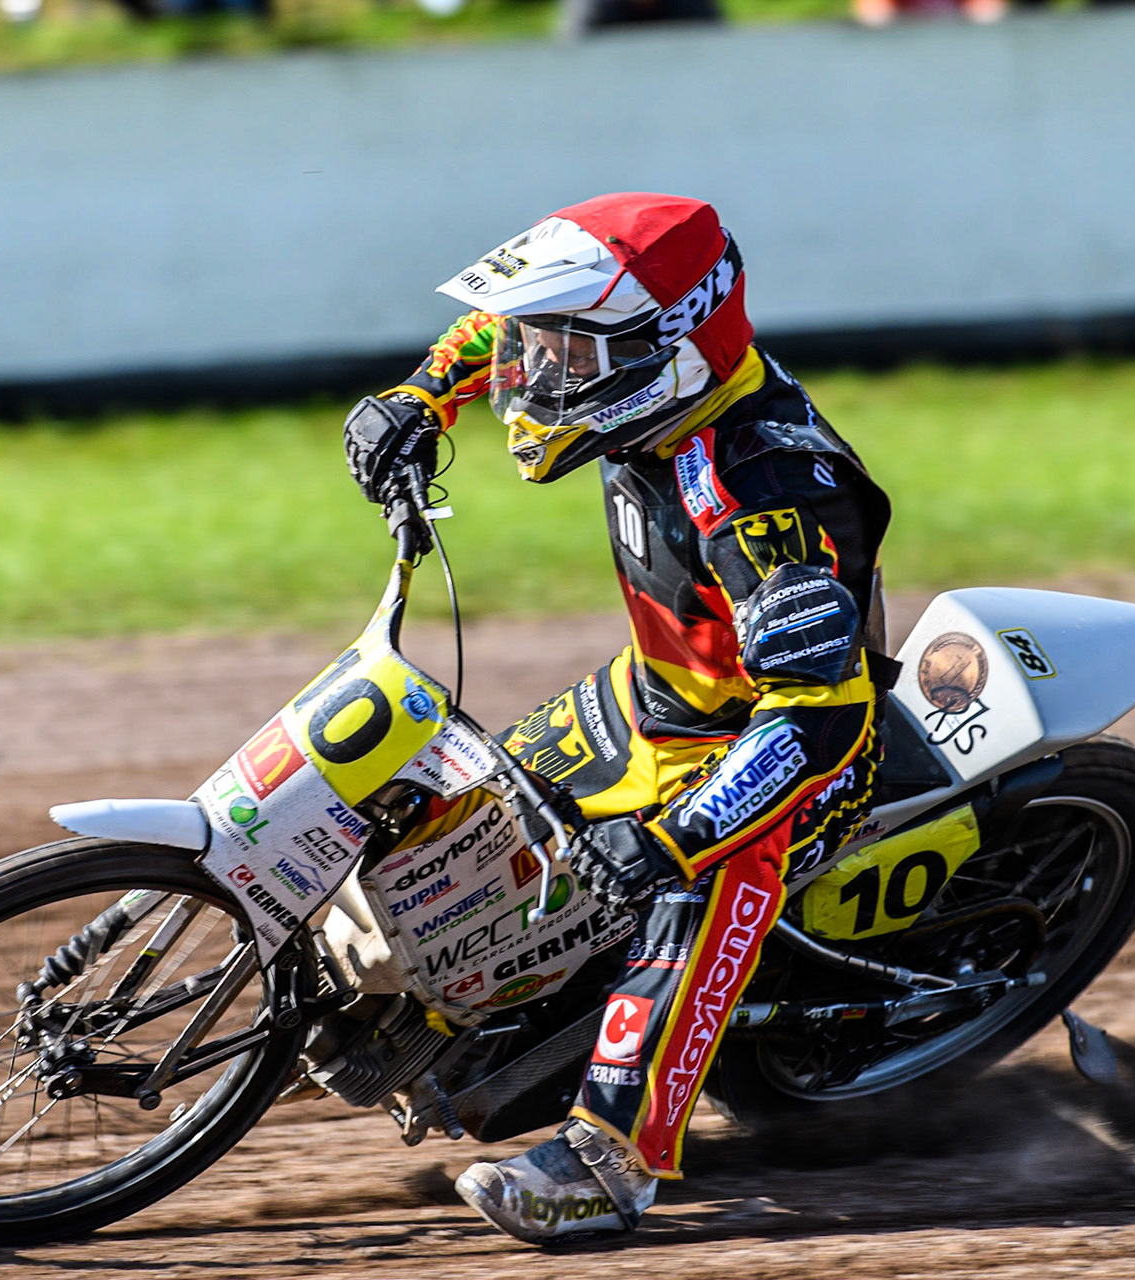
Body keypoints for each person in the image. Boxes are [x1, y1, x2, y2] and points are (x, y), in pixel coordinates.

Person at [342, 192, 892, 1244]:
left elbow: (817, 726)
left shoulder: (764, 495)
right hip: (657, 703)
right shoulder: (655, 390)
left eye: (569, 362)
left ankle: (610, 1159)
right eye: (544, 355)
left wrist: (670, 839)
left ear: (668, 350)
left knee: (688, 894)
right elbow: (498, 330)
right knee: (467, 799)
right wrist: (418, 397)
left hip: (771, 755)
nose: (534, 381)